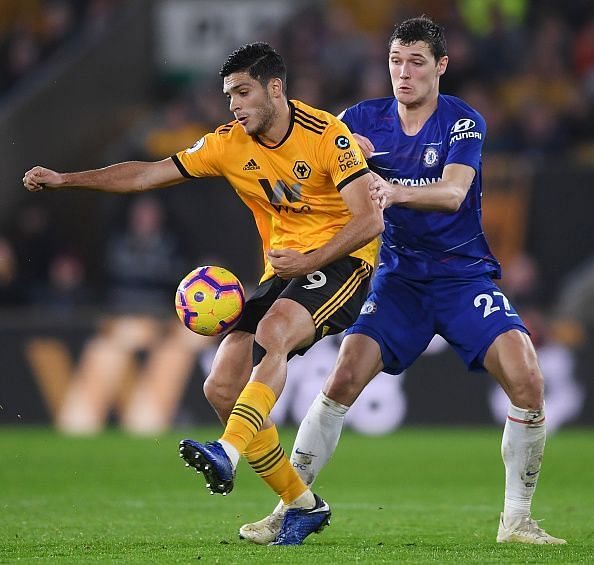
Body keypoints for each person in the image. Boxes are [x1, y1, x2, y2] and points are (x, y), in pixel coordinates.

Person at [23, 42, 384, 545]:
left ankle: (228, 452)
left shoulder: (328, 135)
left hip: (344, 262)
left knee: (276, 330)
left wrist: (310, 259)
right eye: (227, 95)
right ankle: (303, 504)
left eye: (242, 92)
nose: (233, 105)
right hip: (283, 269)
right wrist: (68, 179)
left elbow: (370, 219)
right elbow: (148, 173)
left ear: (275, 88)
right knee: (220, 385)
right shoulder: (227, 144)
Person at [240, 17, 566, 545]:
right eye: (395, 60)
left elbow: (453, 192)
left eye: (416, 61)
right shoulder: (357, 121)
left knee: (528, 380)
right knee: (342, 379)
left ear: (440, 66)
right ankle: (287, 508)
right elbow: (320, 178)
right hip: (397, 280)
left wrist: (386, 188)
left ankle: (517, 520)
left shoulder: (463, 122)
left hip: (463, 278)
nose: (403, 72)